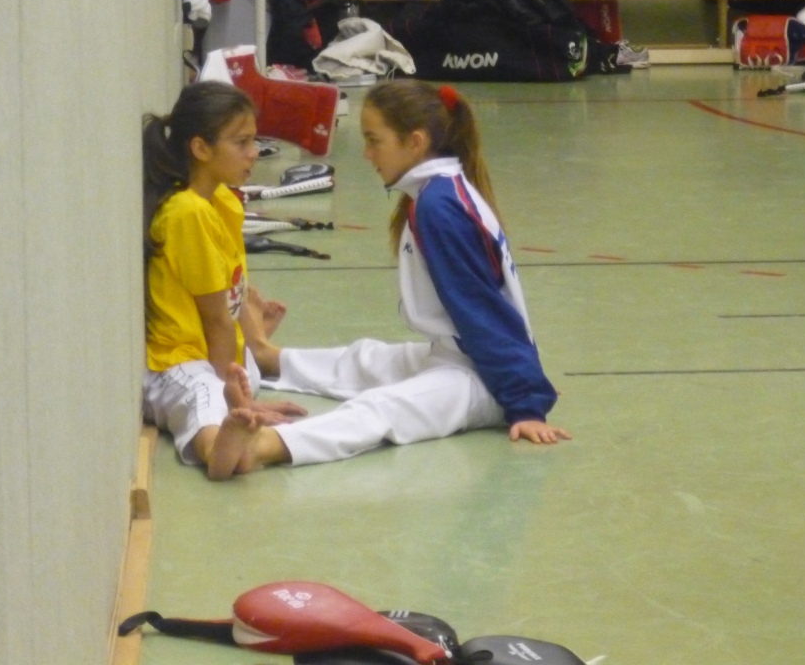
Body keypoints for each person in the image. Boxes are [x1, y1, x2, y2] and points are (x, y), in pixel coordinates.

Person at [226, 78, 570, 472]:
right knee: (366, 359)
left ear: (415, 143)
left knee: (383, 408)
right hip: (461, 357)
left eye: (374, 141)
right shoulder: (436, 192)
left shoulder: (440, 208)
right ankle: (269, 358)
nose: (367, 153)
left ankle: (266, 446)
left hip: (482, 379)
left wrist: (525, 401)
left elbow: (485, 313)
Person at [141, 81, 305, 481]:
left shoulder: (223, 201)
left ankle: (243, 377)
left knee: (245, 366)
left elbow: (234, 292)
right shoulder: (187, 213)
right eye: (241, 142)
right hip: (176, 364)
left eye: (254, 141)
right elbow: (216, 320)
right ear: (201, 148)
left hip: (213, 350)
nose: (254, 153)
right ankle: (219, 445)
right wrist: (234, 401)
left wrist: (250, 348)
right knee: (205, 393)